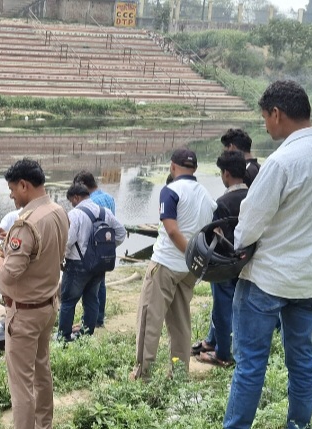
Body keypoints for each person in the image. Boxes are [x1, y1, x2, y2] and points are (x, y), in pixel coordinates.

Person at [202, 80, 312, 429]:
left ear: (277, 114)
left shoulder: (282, 161)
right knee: (302, 361)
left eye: (265, 117)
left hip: (266, 279)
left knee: (251, 362)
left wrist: (236, 244)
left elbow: (249, 224)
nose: (265, 126)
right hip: (310, 280)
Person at [0, 159, 67, 429]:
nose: (12, 196)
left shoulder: (25, 223)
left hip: (26, 312)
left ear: (24, 185)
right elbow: (40, 253)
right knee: (42, 369)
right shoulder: (57, 211)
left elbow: (8, 277)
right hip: (48, 306)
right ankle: (44, 428)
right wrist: (9, 243)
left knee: (21, 382)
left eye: (13, 189)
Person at [130, 148, 215, 380]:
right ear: (195, 168)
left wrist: (188, 253)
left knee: (150, 318)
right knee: (180, 323)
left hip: (166, 264)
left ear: (172, 166)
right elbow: (210, 232)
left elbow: (172, 231)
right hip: (188, 271)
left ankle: (143, 372)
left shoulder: (171, 191)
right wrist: (194, 258)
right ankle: (178, 373)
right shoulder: (206, 196)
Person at [194, 149, 249, 367]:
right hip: (247, 261)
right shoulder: (252, 197)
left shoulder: (223, 202)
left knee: (222, 308)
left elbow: (214, 234)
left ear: (226, 173)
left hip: (225, 264)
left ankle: (223, 354)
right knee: (240, 307)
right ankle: (215, 342)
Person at [58, 184, 125, 341]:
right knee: (91, 299)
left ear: (76, 197)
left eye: (71, 201)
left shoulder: (75, 214)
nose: (72, 204)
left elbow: (68, 240)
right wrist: (106, 249)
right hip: (99, 265)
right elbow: (121, 233)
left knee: (68, 301)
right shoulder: (105, 212)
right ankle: (87, 335)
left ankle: (64, 337)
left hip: (76, 264)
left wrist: (61, 257)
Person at [72, 171, 115, 328]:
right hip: (106, 247)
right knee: (100, 282)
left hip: (91, 250)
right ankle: (99, 318)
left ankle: (92, 320)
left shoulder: (91, 202)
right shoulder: (109, 198)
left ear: (83, 184)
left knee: (92, 289)